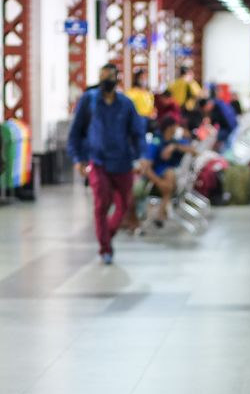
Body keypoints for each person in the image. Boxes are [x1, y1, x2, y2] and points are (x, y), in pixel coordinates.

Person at [67, 63, 146, 264]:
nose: (106, 80)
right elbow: (76, 132)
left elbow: (137, 134)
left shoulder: (126, 104)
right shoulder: (89, 101)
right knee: (102, 204)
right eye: (103, 76)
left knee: (124, 204)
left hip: (122, 162)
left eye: (110, 76)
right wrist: (78, 158)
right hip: (98, 161)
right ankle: (105, 248)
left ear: (117, 79)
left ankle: (107, 234)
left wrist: (141, 156)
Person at [140, 117, 196, 225]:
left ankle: (162, 212)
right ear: (170, 127)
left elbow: (194, 151)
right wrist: (159, 182)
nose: (177, 129)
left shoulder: (173, 141)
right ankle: (161, 213)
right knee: (169, 176)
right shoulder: (156, 142)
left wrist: (174, 147)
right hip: (155, 178)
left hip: (167, 177)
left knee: (170, 174)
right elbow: (146, 168)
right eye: (175, 126)